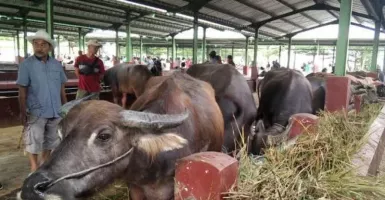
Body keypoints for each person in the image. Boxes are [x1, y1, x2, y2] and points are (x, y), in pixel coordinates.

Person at [16, 30, 68, 172]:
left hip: (56, 110)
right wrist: (22, 112)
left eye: (43, 44)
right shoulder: (26, 65)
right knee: (34, 140)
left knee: (51, 140)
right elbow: (22, 91)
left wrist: (65, 108)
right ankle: (34, 167)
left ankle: (44, 163)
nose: (39, 47)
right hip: (36, 111)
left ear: (49, 47)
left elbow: (62, 88)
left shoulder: (57, 65)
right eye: (36, 44)